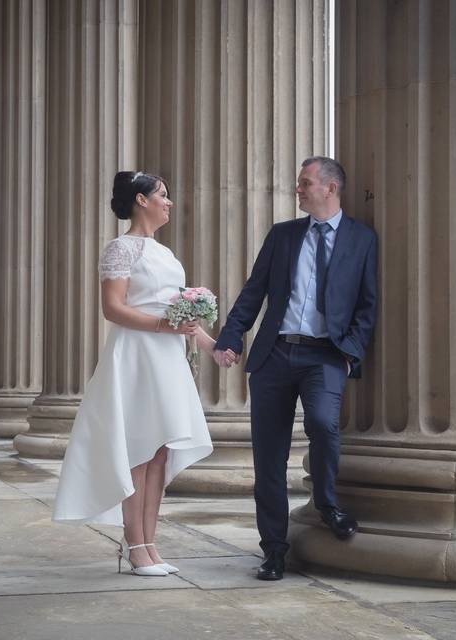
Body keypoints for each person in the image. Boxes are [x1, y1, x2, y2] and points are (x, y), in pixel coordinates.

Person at [213, 156, 378, 581]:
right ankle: (273, 550)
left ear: (331, 188)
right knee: (269, 457)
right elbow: (254, 291)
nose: (298, 190)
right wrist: (232, 336)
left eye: (305, 183)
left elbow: (367, 304)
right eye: (299, 183)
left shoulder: (362, 239)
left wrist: (349, 352)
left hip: (326, 355)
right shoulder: (284, 235)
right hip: (275, 355)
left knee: (324, 424)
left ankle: (326, 503)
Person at [53, 171, 215, 577]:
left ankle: (150, 543)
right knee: (139, 451)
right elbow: (114, 308)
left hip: (168, 357)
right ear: (141, 200)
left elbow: (178, 310)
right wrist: (164, 327)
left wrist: (209, 342)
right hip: (137, 354)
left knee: (161, 448)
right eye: (163, 195)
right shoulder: (120, 249)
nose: (169, 202)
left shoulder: (166, 254)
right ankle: (135, 545)